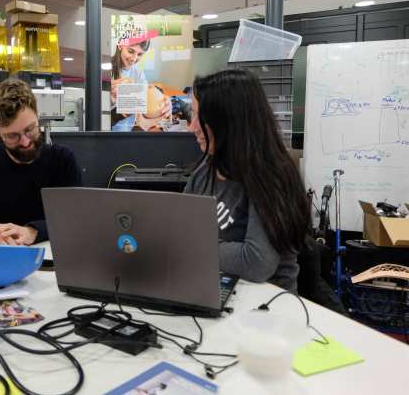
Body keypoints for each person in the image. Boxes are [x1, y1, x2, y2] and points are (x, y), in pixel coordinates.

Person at [185, 69, 310, 291]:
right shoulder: (205, 171)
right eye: (192, 114)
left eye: (200, 116)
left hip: (265, 307)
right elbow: (178, 230)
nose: (192, 126)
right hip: (215, 289)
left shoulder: (270, 177)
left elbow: (256, 261)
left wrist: (193, 248)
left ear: (229, 121)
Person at [0, 78, 82, 245]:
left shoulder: (62, 159)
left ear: (37, 116)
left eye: (30, 129)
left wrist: (33, 231)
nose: (25, 142)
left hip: (51, 257)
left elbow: (76, 218)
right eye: (12, 136)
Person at [110, 36, 171, 131]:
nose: (134, 59)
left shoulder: (137, 71)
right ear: (120, 46)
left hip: (128, 129)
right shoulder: (105, 69)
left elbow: (146, 98)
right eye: (130, 51)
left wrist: (165, 104)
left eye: (140, 54)